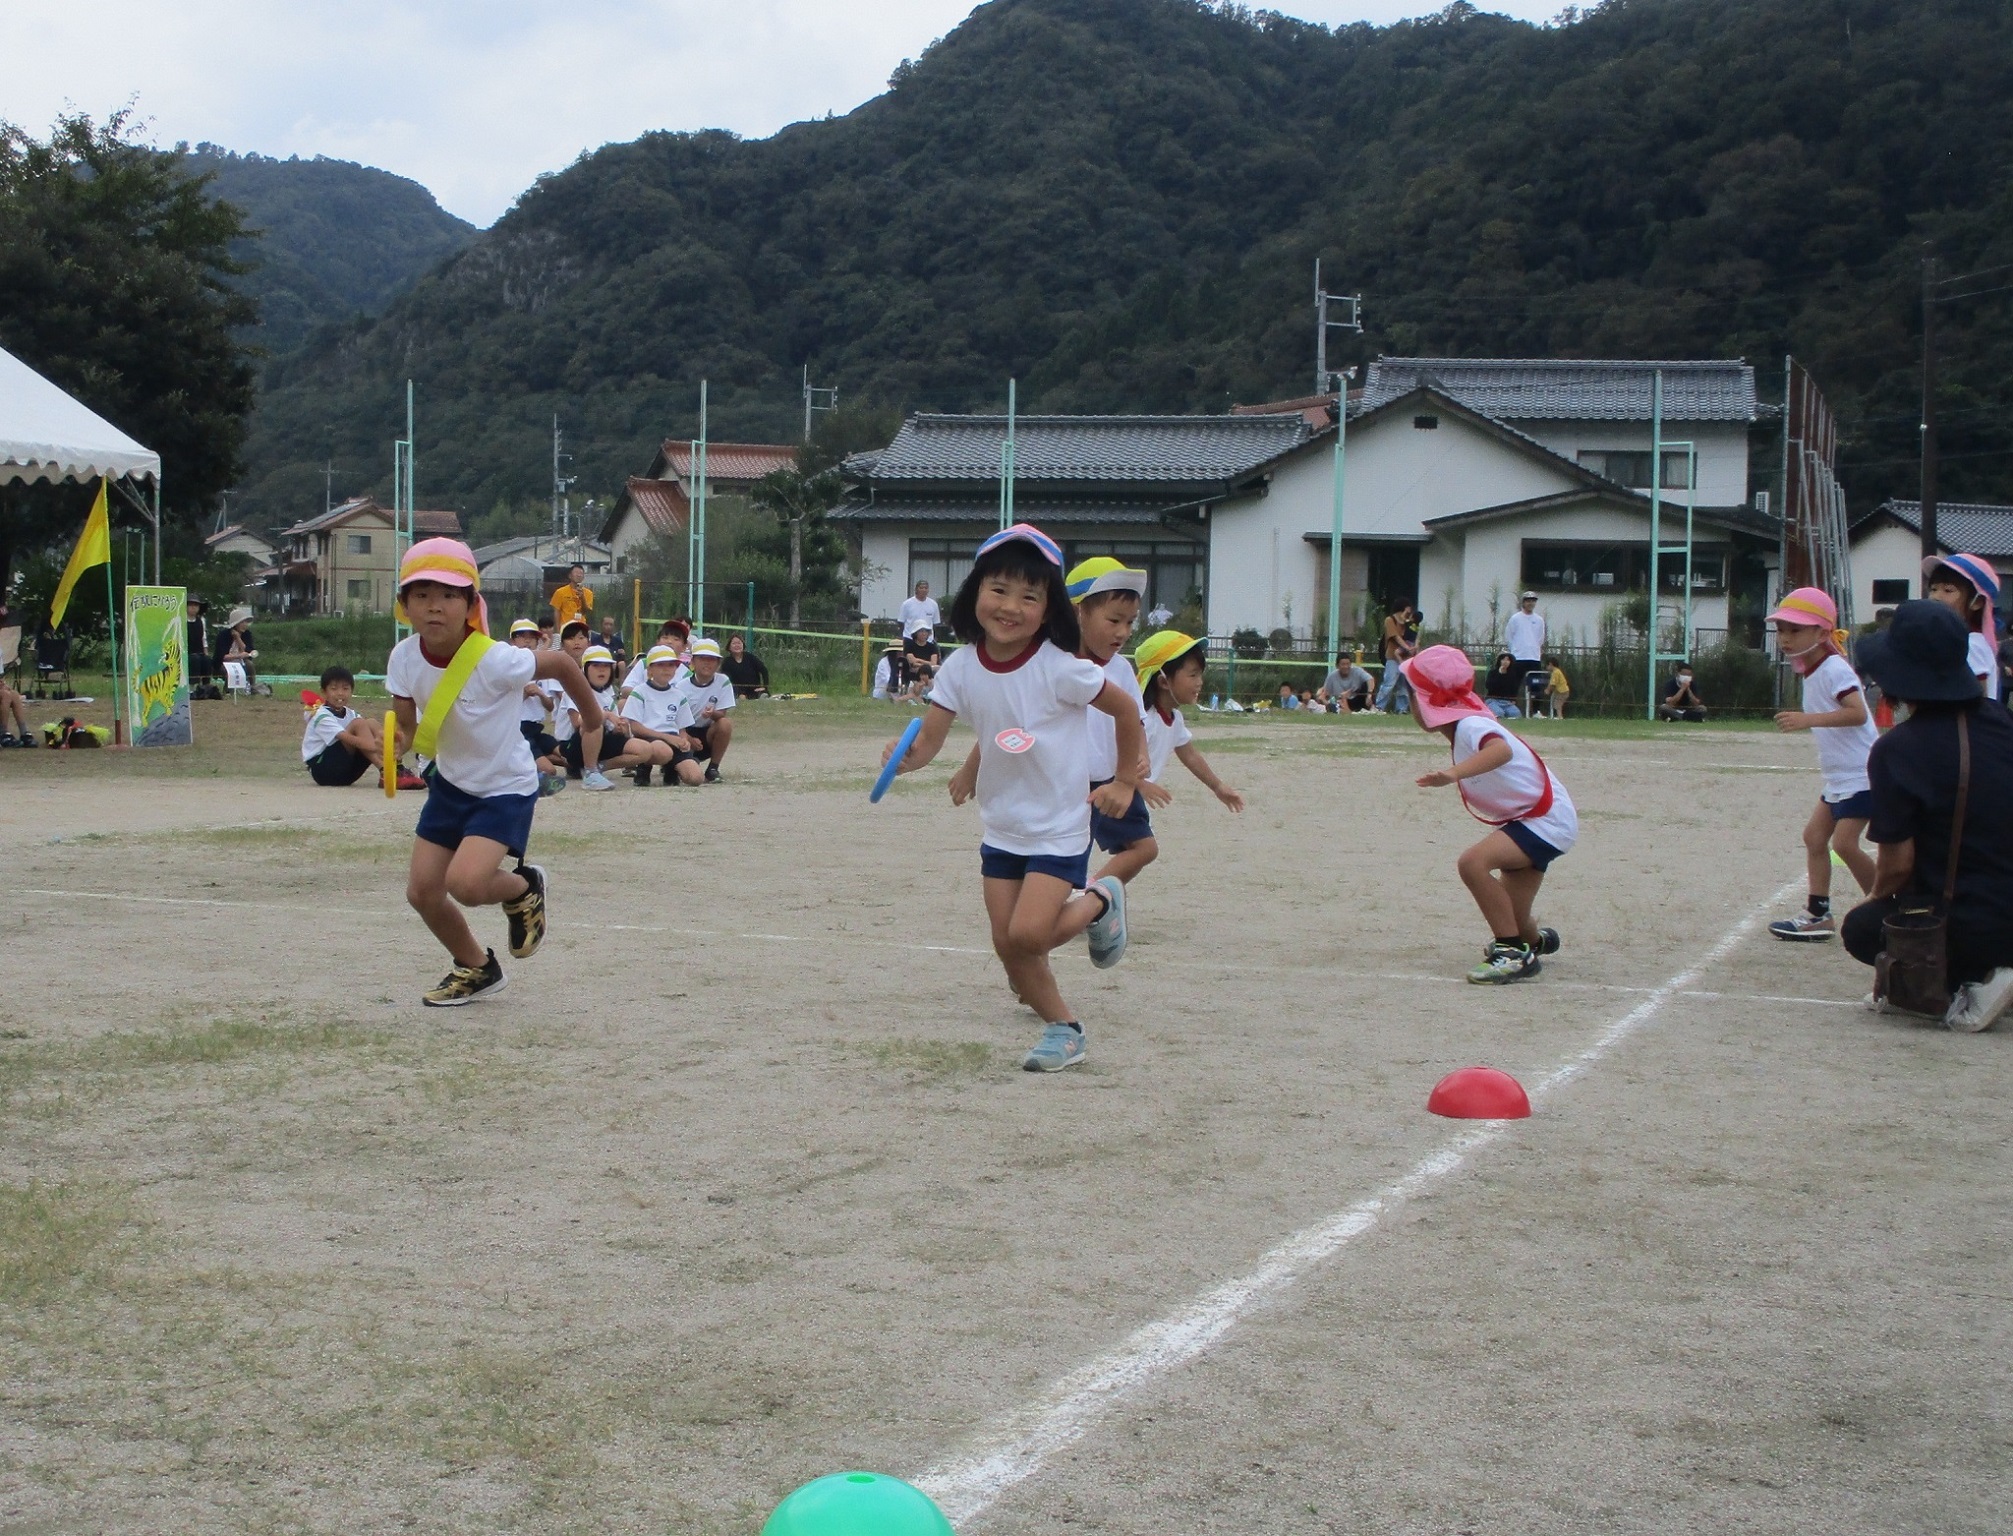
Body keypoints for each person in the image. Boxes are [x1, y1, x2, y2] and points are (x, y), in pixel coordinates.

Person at [880, 523, 1148, 1073]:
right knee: (1008, 944)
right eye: (998, 589)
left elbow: (1125, 711)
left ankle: (1101, 900)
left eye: (1030, 596)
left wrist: (1124, 781)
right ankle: (1064, 1030)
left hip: (1058, 826)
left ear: (1049, 607)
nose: (1011, 606)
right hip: (1002, 827)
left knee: (1028, 935)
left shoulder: (1060, 667)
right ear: (975, 591)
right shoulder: (959, 668)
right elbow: (928, 743)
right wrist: (905, 758)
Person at [386, 538, 603, 1006]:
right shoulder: (403, 657)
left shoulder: (495, 658)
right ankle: (476, 968)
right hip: (451, 785)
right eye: (421, 596)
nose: (435, 607)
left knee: (465, 885)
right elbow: (407, 727)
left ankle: (525, 887)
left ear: (469, 603)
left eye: (448, 595)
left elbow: (564, 664)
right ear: (404, 606)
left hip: (505, 788)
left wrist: (595, 716)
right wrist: (394, 744)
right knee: (422, 892)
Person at [1844, 600, 2013, 1031]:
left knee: (1864, 926)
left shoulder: (1898, 750)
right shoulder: (2003, 722)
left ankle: (1963, 984)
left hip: (1973, 923)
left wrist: (1874, 897)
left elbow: (1897, 866)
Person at [1403, 643, 1577, 984]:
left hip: (1545, 820)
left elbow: (1501, 750)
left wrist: (1452, 775)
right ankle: (1534, 941)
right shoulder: (1467, 726)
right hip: (1540, 818)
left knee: (1472, 863)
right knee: (1513, 915)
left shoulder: (1470, 727)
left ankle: (1512, 953)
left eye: (1413, 695)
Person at [1763, 588, 1879, 941]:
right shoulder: (1813, 670)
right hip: (1840, 777)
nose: (1785, 638)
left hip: (1864, 774)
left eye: (1795, 630)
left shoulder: (1833, 668)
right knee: (1814, 837)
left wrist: (1807, 719)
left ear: (1823, 634)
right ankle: (1817, 913)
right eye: (1782, 630)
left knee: (1844, 844)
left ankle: (1888, 909)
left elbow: (1857, 714)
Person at [1133, 630, 1245, 811]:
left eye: (1200, 674)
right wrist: (1138, 784)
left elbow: (1190, 755)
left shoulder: (1175, 719)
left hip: (1137, 805)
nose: (1200, 682)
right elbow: (1115, 759)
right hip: (1121, 801)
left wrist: (1217, 786)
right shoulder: (1143, 720)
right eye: (1193, 675)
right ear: (1163, 682)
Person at [543, 621, 616, 790]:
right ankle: (584, 766)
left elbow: (608, 703)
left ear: (588, 643)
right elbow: (576, 713)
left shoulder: (600, 676)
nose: (576, 642)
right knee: (593, 721)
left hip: (591, 731)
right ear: (562, 644)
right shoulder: (556, 670)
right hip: (571, 734)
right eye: (570, 638)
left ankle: (591, 765)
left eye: (581, 637)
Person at [563, 646, 651, 782]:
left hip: (603, 743)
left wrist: (621, 728)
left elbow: (613, 728)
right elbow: (577, 722)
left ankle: (598, 768)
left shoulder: (607, 697)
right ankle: (590, 771)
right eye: (596, 665)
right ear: (585, 669)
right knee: (595, 724)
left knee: (644, 750)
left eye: (606, 666)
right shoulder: (575, 690)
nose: (602, 669)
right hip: (578, 747)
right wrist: (607, 715)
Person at [619, 644, 704, 785]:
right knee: (663, 750)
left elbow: (682, 729)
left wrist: (683, 741)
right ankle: (643, 767)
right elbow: (635, 728)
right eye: (660, 665)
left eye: (671, 665)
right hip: (648, 739)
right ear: (650, 670)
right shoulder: (639, 692)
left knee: (695, 778)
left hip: (673, 740)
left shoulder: (679, 695)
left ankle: (672, 769)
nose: (666, 669)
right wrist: (667, 738)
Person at [303, 666, 398, 788]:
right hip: (323, 770)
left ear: (351, 692)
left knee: (371, 723)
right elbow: (347, 738)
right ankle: (386, 770)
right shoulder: (321, 715)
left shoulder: (350, 713)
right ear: (324, 692)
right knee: (359, 723)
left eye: (345, 688)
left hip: (346, 772)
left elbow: (365, 733)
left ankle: (396, 768)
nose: (340, 693)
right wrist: (380, 747)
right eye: (334, 689)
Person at [1922, 553, 2000, 700]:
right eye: (1933, 589)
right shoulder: (1955, 640)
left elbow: (1977, 703)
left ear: (1977, 602)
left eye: (1948, 590)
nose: (1936, 597)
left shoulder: (1971, 645)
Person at [508, 619, 567, 793]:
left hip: (536, 728)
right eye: (521, 636)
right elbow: (502, 706)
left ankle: (525, 761)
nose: (527, 641)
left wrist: (540, 693)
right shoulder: (508, 669)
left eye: (532, 637)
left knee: (568, 758)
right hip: (518, 729)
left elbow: (549, 707)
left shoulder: (542, 671)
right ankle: (528, 776)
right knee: (550, 770)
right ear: (513, 641)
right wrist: (525, 694)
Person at [677, 637, 736, 782]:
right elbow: (675, 722)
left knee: (725, 724)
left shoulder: (723, 681)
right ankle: (681, 762)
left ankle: (713, 768)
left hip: (707, 731)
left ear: (718, 663)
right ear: (692, 662)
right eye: (702, 658)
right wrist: (689, 739)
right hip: (685, 732)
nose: (707, 663)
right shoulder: (680, 686)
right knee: (689, 775)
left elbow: (721, 714)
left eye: (712, 659)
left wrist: (712, 714)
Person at [621, 619, 690, 695]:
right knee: (622, 703)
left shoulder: (686, 674)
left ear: (684, 647)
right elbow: (625, 689)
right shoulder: (645, 663)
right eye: (665, 637)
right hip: (644, 704)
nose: (669, 642)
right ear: (657, 642)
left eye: (676, 639)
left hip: (668, 705)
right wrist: (650, 697)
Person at [1376, 602, 1418, 712]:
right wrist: (1407, 647)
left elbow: (1414, 634)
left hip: (1406, 658)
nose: (1408, 614)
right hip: (1392, 657)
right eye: (1406, 611)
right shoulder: (1390, 620)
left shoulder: (1409, 622)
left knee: (1404, 686)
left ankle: (1402, 709)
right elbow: (1395, 636)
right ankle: (1379, 707)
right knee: (1389, 684)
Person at [214, 605, 266, 694]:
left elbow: (249, 651)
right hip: (225, 663)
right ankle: (227, 691)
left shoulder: (247, 634)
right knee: (229, 671)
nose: (245, 624)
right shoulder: (223, 635)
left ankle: (252, 688)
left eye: (245, 622)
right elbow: (221, 656)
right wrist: (238, 655)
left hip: (242, 661)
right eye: (242, 622)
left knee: (250, 664)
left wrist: (238, 639)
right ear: (235, 624)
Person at [1505, 591, 1546, 700]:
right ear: (1523, 603)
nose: (1530, 603)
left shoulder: (1539, 620)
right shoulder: (1515, 618)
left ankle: (1536, 711)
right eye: (1528, 601)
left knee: (1536, 685)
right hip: (1518, 657)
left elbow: (1540, 638)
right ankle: (1510, 708)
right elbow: (1509, 636)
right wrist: (1515, 650)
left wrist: (1534, 648)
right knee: (1514, 684)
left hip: (1534, 657)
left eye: (1533, 601)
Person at [185, 597, 218, 697]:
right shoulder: (182, 620)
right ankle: (191, 688)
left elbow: (204, 639)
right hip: (187, 652)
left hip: (199, 651)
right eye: (190, 605)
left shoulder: (201, 621)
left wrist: (206, 652)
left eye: (196, 605)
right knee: (194, 659)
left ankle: (205, 687)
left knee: (207, 660)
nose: (193, 608)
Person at [722, 633, 770, 698]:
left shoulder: (750, 657)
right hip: (737, 692)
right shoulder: (727, 662)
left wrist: (765, 687)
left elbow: (764, 670)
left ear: (743, 645)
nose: (737, 645)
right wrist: (738, 693)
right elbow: (726, 681)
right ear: (729, 647)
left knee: (762, 695)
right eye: (734, 643)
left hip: (755, 690)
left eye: (739, 643)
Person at [550, 564, 593, 633]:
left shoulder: (588, 593)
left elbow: (585, 612)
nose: (579, 575)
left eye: (581, 573)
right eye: (576, 573)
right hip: (565, 628)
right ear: (570, 576)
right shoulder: (560, 592)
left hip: (581, 628)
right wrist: (558, 631)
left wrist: (582, 598)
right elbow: (556, 612)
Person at [1483, 652, 1522, 718]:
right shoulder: (1492, 673)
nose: (1505, 662)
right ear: (1499, 661)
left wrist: (1514, 699)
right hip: (1493, 700)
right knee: (1499, 713)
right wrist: (1499, 674)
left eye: (1508, 660)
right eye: (1503, 659)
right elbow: (1489, 686)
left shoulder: (1513, 674)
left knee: (1516, 714)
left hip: (1507, 702)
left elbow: (1515, 688)